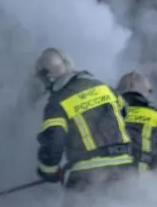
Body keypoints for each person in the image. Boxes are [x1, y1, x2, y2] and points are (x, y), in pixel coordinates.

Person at [35, 47, 134, 189]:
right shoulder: (104, 87)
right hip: (124, 169)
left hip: (88, 175)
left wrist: (49, 171)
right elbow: (125, 114)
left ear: (48, 77)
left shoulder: (57, 103)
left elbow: (54, 139)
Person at [117, 71, 157, 172]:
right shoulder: (156, 116)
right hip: (150, 179)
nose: (149, 93)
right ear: (135, 86)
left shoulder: (113, 113)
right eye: (148, 90)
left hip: (118, 179)